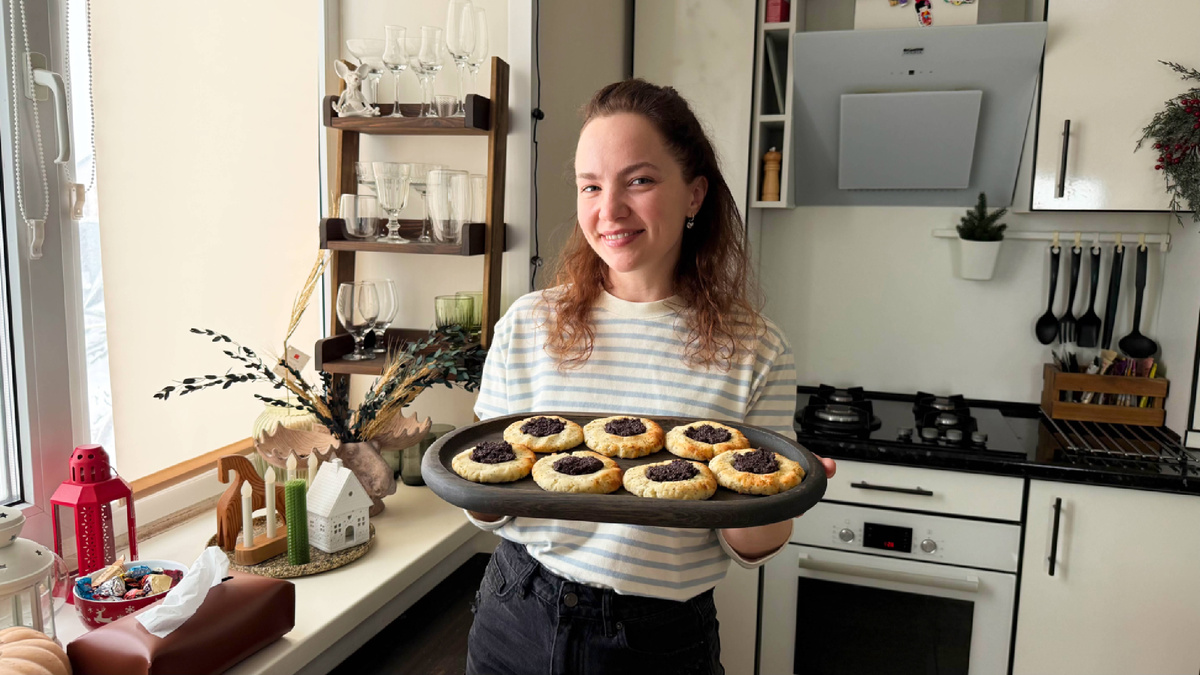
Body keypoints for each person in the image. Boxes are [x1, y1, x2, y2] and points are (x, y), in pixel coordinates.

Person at [464, 78, 837, 675]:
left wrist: (777, 494)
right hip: (517, 611)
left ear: (694, 195)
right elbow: (492, 505)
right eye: (591, 186)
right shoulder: (529, 324)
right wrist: (477, 492)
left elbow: (749, 546)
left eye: (638, 180)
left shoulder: (756, 349)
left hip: (658, 640)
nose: (608, 210)